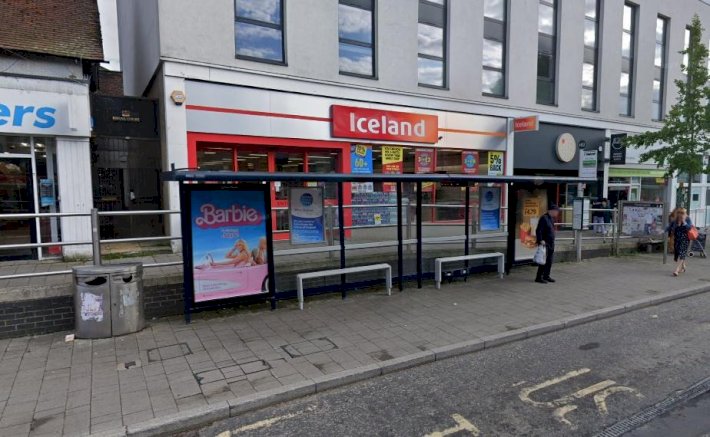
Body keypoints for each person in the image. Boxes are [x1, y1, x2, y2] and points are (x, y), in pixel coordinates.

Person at [535, 204, 560, 284]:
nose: (557, 213)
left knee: (549, 260)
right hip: (545, 243)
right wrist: (540, 240)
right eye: (556, 211)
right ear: (552, 211)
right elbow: (539, 230)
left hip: (551, 242)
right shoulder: (544, 218)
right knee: (543, 260)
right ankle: (539, 277)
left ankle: (546, 275)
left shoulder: (551, 218)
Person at [668, 208, 692, 276]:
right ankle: (683, 266)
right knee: (679, 253)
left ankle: (677, 270)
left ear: (684, 214)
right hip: (678, 239)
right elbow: (670, 227)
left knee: (682, 253)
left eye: (682, 213)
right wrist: (664, 231)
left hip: (685, 239)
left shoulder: (687, 219)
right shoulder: (676, 220)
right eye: (679, 213)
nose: (680, 215)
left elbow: (689, 228)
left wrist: (684, 222)